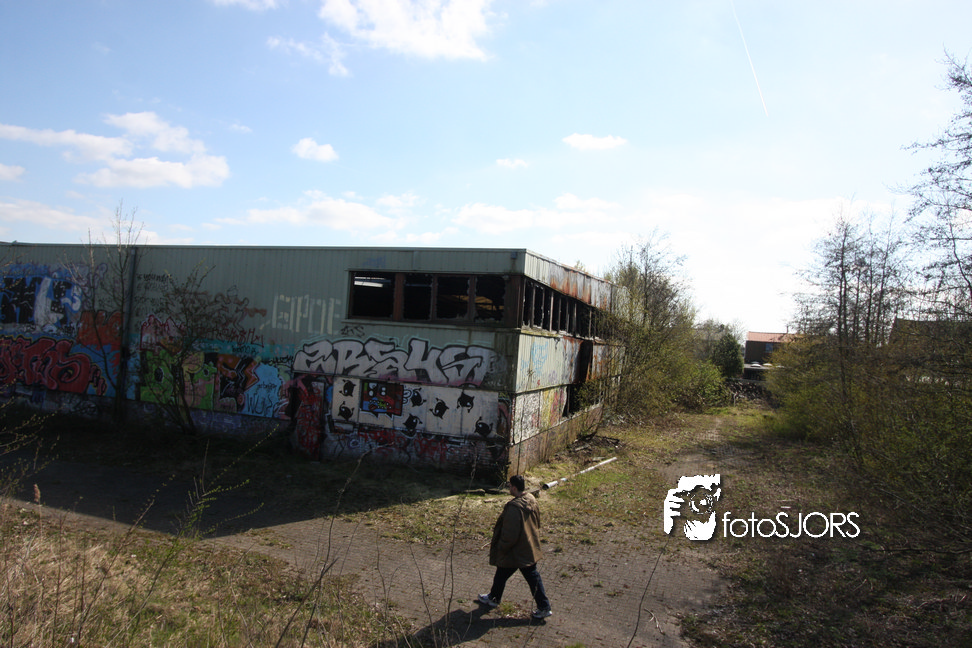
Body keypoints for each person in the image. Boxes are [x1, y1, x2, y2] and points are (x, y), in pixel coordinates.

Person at [478, 474, 552, 619]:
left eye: (510, 486)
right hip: (528, 545)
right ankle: (494, 597)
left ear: (514, 488)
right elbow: (537, 520)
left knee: (530, 577)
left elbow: (510, 534)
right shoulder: (531, 499)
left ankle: (544, 607)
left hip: (517, 550)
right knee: (502, 573)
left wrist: (502, 547)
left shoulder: (514, 508)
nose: (509, 488)